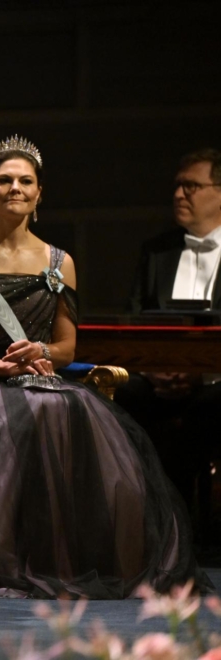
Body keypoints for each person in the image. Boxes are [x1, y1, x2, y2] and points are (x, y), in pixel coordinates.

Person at [0, 136, 211, 598]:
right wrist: (0, 367)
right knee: (31, 417)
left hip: (41, 379)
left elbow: (66, 347)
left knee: (62, 415)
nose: (15, 188)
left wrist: (42, 352)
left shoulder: (60, 261)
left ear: (40, 193)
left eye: (26, 181)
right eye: (4, 181)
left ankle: (58, 560)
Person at [117, 148, 221, 535]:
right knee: (122, 393)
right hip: (158, 380)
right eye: (177, 185)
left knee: (211, 405)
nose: (179, 194)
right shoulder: (157, 251)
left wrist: (202, 375)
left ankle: (189, 524)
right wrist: (152, 369)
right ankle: (140, 522)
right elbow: (132, 322)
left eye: (191, 186)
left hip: (213, 384)